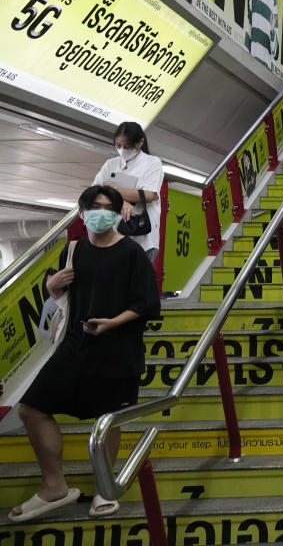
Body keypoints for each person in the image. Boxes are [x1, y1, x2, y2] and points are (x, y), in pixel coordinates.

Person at [11, 185, 159, 522]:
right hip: (76, 345)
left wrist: (111, 324)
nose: (101, 211)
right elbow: (57, 299)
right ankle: (54, 487)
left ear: (119, 213)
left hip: (119, 347)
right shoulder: (73, 250)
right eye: (95, 206)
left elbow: (147, 304)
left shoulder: (131, 253)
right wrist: (51, 288)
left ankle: (104, 487)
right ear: (82, 213)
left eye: (109, 206)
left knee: (107, 421)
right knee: (31, 408)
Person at [93, 122, 163, 261]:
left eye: (127, 146)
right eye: (118, 145)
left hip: (143, 238)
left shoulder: (152, 163)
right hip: (113, 234)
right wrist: (122, 202)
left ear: (140, 142)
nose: (122, 150)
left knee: (136, 280)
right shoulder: (111, 164)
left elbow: (149, 195)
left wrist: (113, 190)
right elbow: (94, 192)